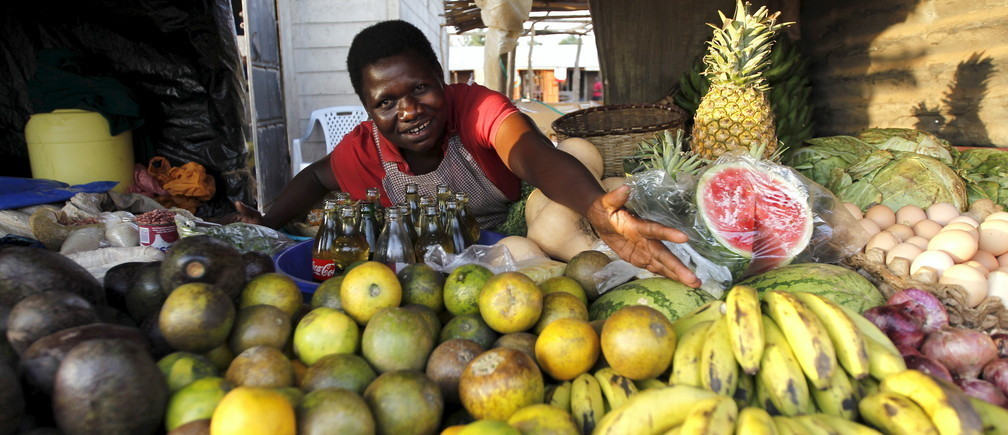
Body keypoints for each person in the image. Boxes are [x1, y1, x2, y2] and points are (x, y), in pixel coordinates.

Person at [231, 20, 700, 287]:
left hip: (519, 215)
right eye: (386, 103)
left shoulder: (476, 108)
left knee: (569, 168)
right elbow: (315, 178)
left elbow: (535, 157)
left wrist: (598, 210)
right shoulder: (364, 150)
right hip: (462, 256)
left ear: (442, 75)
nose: (410, 111)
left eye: (420, 88)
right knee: (516, 257)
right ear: (367, 109)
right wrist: (268, 224)